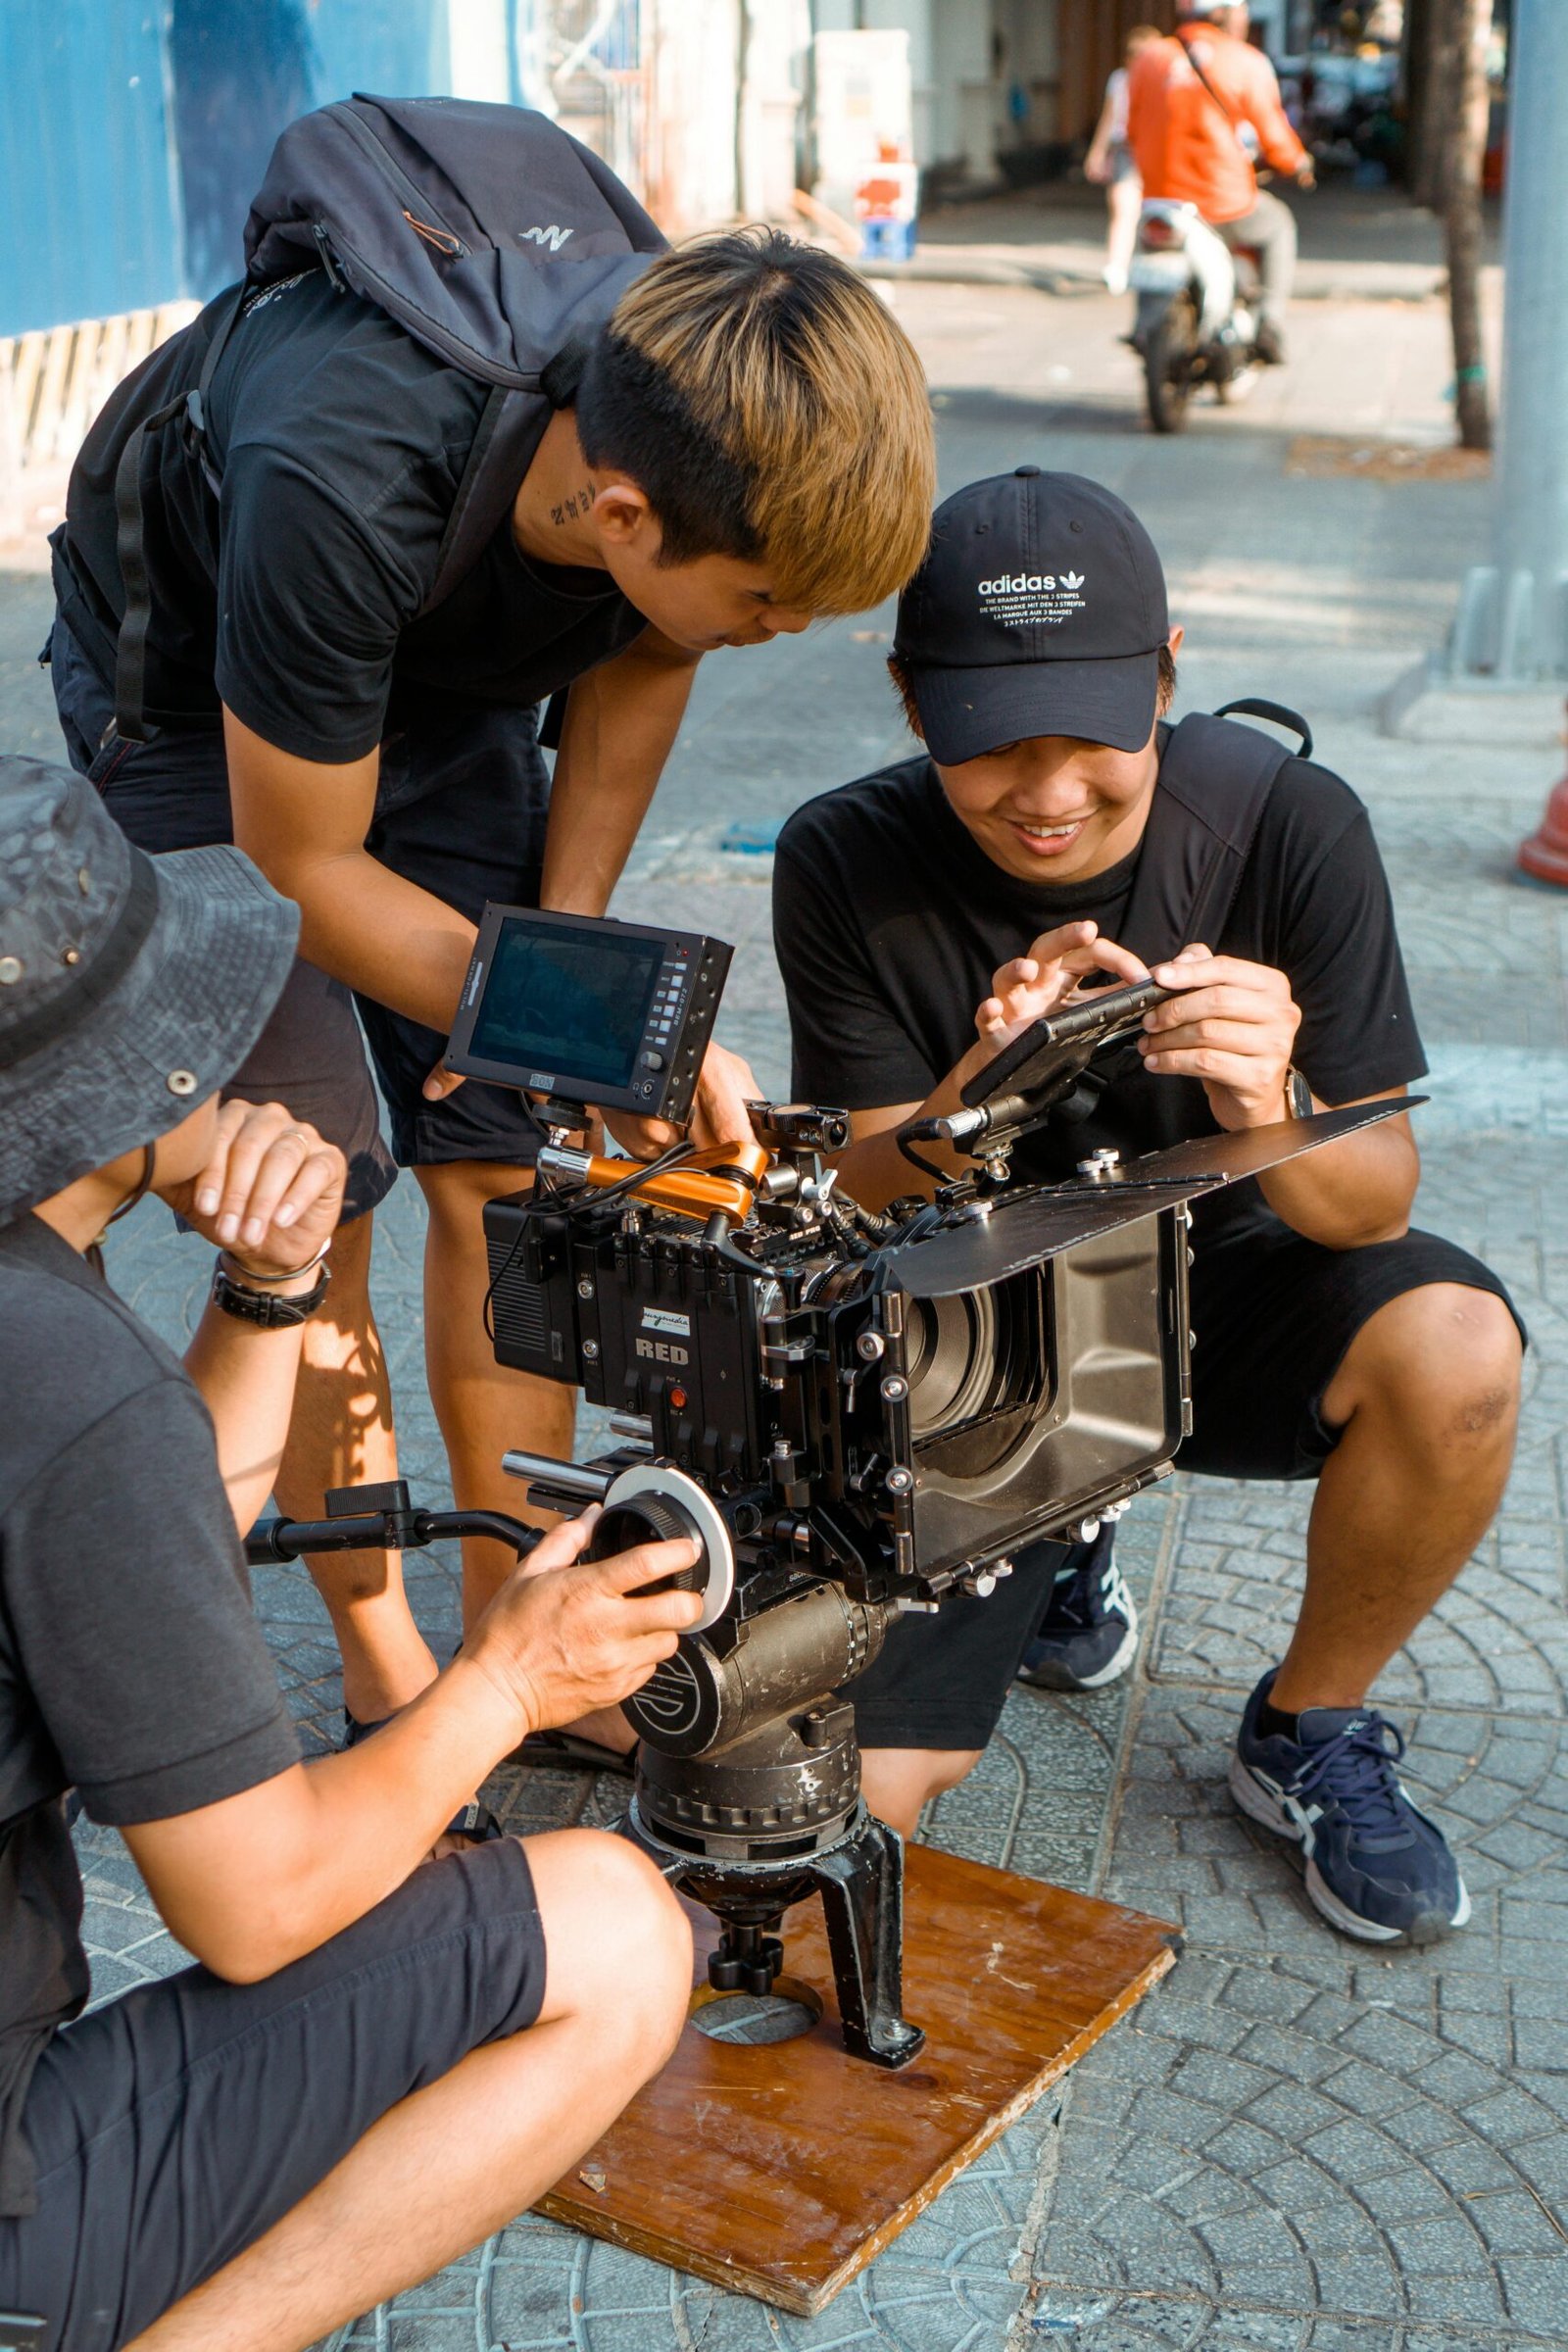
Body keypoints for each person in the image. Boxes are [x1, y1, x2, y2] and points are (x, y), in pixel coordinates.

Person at [47, 136, 935, 1756]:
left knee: (507, 1158)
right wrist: (624, 1040)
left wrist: (570, 990)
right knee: (313, 1193)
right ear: (619, 506)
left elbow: (645, 648)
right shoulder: (346, 459)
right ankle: (383, 1642)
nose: (775, 642)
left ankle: (513, 1612)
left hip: (441, 692)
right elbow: (302, 859)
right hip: (205, 718)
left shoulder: (678, 414)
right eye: (765, 609)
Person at [0, 758, 708, 2350]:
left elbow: (154, 1533)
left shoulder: (52, 1353)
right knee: (612, 1924)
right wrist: (502, 1683)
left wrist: (277, 1289)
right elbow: (258, 1908)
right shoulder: (69, 1386)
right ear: (146, 1071)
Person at [771, 468, 1524, 1948]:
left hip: (1242, 1280)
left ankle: (1307, 1725)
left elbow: (1374, 1207)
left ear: (1169, 675)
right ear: (913, 704)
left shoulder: (1289, 821)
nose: (1048, 795)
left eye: (1094, 738)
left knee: (1459, 1349)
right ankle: (1066, 1526)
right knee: (878, 1787)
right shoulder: (843, 856)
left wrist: (1271, 1101)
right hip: (991, 1323)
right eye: (995, 744)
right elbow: (856, 1201)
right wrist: (973, 1096)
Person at [1127, 0, 1314, 364]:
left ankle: (1146, 325)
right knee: (1278, 225)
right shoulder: (1245, 61)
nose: (1245, 17)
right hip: (1221, 199)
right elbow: (1274, 135)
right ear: (1224, 13)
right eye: (1242, 9)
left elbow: (1133, 127)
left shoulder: (1149, 58)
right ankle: (1270, 325)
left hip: (1160, 196)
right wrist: (1296, 162)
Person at [1084, 24, 1163, 296]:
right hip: (1125, 148)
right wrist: (1097, 151)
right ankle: (1117, 266)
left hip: (1157, 149)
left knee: (1158, 213)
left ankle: (1147, 265)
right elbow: (1109, 118)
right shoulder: (1119, 80)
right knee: (1123, 206)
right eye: (1133, 54)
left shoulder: (1167, 80)